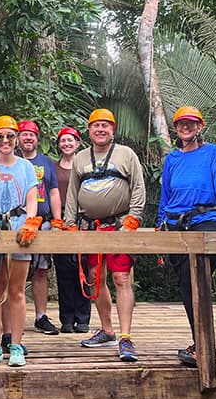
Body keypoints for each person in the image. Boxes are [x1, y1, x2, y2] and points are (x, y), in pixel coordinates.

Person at [157, 106, 216, 366]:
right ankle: (200, 343)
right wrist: (158, 227)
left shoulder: (213, 153)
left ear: (199, 127)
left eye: (191, 123)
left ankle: (203, 346)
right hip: (175, 226)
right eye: (181, 124)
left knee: (192, 277)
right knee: (187, 284)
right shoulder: (172, 159)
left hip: (207, 221)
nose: (186, 127)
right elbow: (166, 197)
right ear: (175, 128)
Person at [63, 108, 145, 362]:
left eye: (105, 126)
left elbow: (138, 186)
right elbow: (72, 194)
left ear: (113, 129)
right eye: (96, 125)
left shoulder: (126, 154)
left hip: (119, 225)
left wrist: (134, 217)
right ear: (89, 130)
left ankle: (125, 336)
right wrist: (69, 223)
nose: (100, 129)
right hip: (90, 227)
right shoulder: (80, 158)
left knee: (121, 277)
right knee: (94, 279)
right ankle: (107, 329)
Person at [0, 116, 42, 367]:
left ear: (16, 138)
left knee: (16, 290)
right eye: (0, 137)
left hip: (18, 230)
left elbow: (32, 196)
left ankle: (15, 344)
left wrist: (31, 221)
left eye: (10, 136)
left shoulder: (25, 166)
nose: (5, 141)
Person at [16, 120, 63, 336]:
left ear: (37, 139)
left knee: (41, 269)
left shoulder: (46, 162)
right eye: (24, 134)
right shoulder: (10, 161)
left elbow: (53, 192)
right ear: (18, 138)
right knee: (11, 270)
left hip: (42, 221)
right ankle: (12, 318)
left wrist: (57, 220)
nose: (27, 138)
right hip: (15, 221)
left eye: (31, 135)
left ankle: (40, 316)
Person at [52, 126, 91, 333]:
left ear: (77, 143)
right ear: (59, 145)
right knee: (64, 271)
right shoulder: (53, 167)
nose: (67, 144)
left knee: (83, 269)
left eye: (71, 140)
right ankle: (66, 318)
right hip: (61, 224)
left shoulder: (85, 165)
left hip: (83, 222)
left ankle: (83, 317)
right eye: (63, 141)